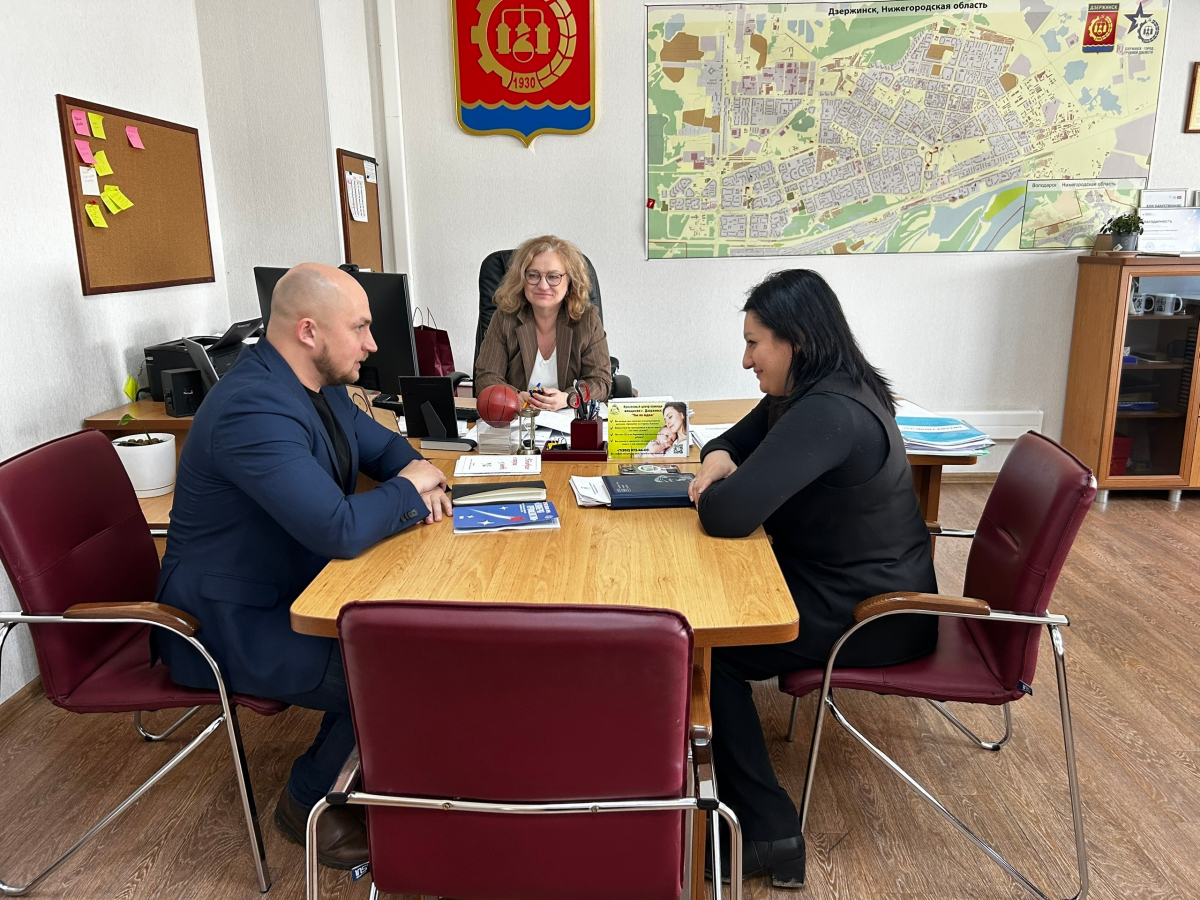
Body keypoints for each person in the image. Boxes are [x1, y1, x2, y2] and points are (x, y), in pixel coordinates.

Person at [155, 263, 452, 870]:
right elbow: (337, 528)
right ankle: (308, 801)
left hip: (297, 589)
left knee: (415, 644)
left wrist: (417, 472)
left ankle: (371, 770)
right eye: (360, 328)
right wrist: (410, 489)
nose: (373, 344)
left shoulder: (321, 385)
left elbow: (384, 448)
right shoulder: (251, 408)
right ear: (309, 331)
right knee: (403, 670)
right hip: (227, 623)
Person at [688, 269, 937, 889]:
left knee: (709, 649)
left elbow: (727, 515)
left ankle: (769, 832)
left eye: (754, 343)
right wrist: (718, 458)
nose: (746, 360)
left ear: (794, 340)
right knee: (708, 625)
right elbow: (731, 441)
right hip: (840, 582)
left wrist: (718, 482)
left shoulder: (829, 412)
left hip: (875, 613)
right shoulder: (812, 389)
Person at [474, 235, 612, 410]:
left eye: (553, 277)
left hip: (568, 421)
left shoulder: (587, 320)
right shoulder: (505, 318)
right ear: (522, 279)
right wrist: (515, 397)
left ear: (570, 281)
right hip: (518, 418)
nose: (543, 285)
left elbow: (600, 381)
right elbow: (486, 378)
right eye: (533, 275)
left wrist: (569, 398)